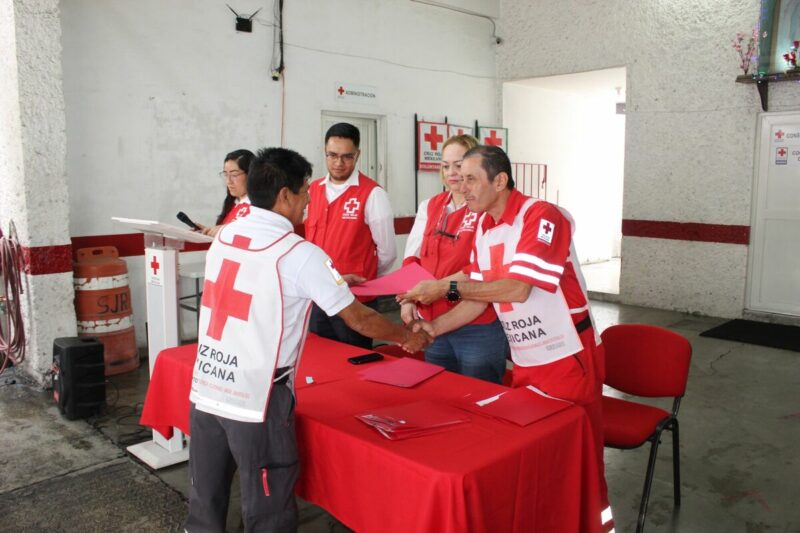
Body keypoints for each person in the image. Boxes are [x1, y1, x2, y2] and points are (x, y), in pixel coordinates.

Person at [185, 147, 431, 533]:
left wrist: (331, 281)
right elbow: (361, 319)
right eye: (304, 192)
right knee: (268, 500)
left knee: (206, 496)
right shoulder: (299, 252)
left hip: (207, 387)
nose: (308, 201)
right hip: (258, 397)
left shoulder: (228, 234)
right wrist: (405, 338)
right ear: (284, 195)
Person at [399, 145, 613, 532]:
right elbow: (478, 293)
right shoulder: (482, 225)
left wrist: (444, 288)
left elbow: (515, 289)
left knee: (574, 454)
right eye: (458, 178)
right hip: (527, 357)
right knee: (532, 451)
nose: (462, 189)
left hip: (568, 357)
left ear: (500, 181)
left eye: (471, 179)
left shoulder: (540, 216)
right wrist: (435, 326)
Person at [401, 134, 507, 383]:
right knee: (442, 396)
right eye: (445, 166)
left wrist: (439, 291)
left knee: (480, 396)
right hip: (432, 323)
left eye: (459, 165)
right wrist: (409, 299)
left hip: (475, 325)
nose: (452, 173)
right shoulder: (431, 206)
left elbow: (481, 269)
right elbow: (412, 258)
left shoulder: (485, 210)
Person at [304, 123, 397, 348]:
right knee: (320, 357)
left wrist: (367, 274)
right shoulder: (311, 190)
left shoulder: (372, 194)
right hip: (317, 295)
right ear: (324, 152)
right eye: (332, 155)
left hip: (354, 300)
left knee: (353, 359)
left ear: (358, 155)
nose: (338, 163)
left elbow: (387, 252)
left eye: (347, 156)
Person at [197, 149, 254, 237]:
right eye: (226, 174)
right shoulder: (233, 203)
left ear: (251, 174)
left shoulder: (258, 207)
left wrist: (225, 230)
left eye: (234, 175)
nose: (228, 181)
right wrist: (208, 232)